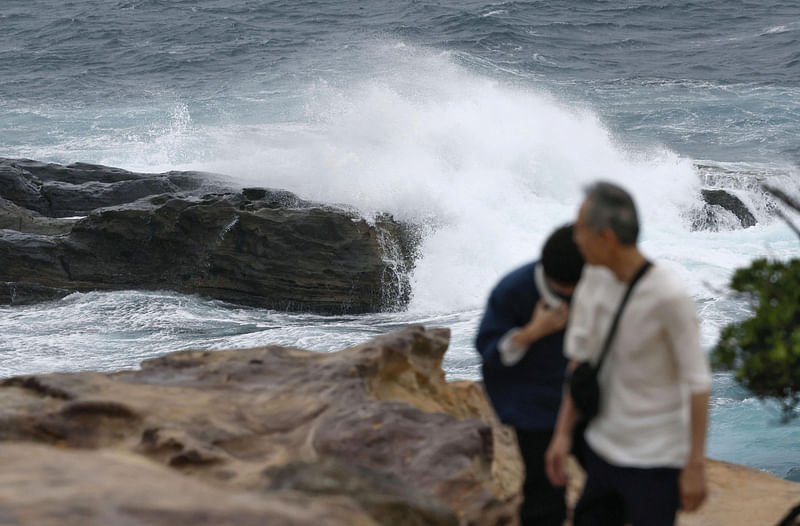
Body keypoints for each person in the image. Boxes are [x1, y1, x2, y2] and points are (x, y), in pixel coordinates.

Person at [545, 182, 712, 526]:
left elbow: (698, 382)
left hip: (656, 462)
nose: (575, 238)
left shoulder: (667, 296)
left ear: (605, 238)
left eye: (580, 230)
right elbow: (579, 363)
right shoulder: (591, 280)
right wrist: (562, 435)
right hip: (603, 451)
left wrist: (695, 464)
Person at [476, 224, 584, 526]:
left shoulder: (596, 281)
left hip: (583, 395)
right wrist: (534, 331)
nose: (572, 296)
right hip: (530, 403)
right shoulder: (513, 289)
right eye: (564, 290)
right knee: (545, 489)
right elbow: (491, 354)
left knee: (611, 476)